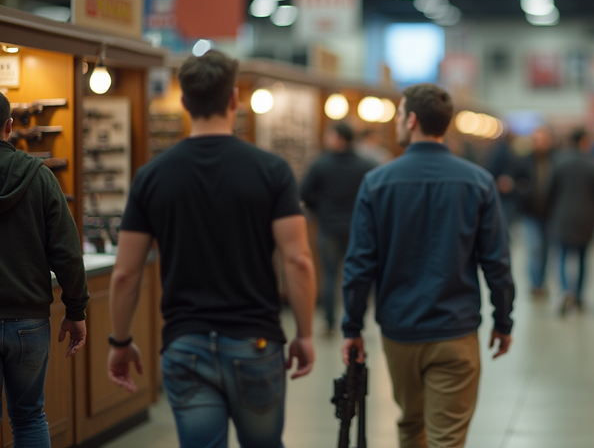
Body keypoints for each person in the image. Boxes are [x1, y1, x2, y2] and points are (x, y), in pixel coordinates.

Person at [107, 50, 317, 448]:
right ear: (234, 99)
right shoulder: (272, 171)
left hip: (186, 344)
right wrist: (304, 334)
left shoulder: (151, 176)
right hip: (256, 341)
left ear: (185, 103)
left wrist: (120, 341)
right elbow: (298, 259)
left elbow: (125, 272)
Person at [342, 83, 515, 448]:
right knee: (446, 438)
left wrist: (351, 326)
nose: (397, 122)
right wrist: (503, 319)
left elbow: (360, 264)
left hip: (399, 330)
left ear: (412, 120)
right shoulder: (478, 182)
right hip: (455, 330)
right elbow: (496, 261)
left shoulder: (377, 183)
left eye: (399, 115)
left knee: (410, 426)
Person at [0, 92, 88, 448]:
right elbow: (67, 253)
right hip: (29, 321)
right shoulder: (40, 176)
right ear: (9, 126)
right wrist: (75, 311)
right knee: (29, 417)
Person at [301, 121, 376, 333]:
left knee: (329, 275)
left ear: (338, 138)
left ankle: (329, 321)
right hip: (356, 229)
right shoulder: (365, 165)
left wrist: (318, 210)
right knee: (354, 275)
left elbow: (304, 192)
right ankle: (354, 318)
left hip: (329, 227)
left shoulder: (320, 164)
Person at [549, 128, 594, 314]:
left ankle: (566, 290)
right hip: (587, 217)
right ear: (584, 141)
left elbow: (550, 192)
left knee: (562, 256)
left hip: (563, 215)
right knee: (583, 258)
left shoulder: (559, 163)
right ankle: (580, 296)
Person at [511, 126, 555, 297]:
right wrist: (523, 191)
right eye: (537, 140)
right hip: (530, 212)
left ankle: (541, 281)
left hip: (549, 212)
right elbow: (514, 182)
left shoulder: (555, 160)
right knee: (535, 247)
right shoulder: (524, 161)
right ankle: (535, 283)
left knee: (546, 249)